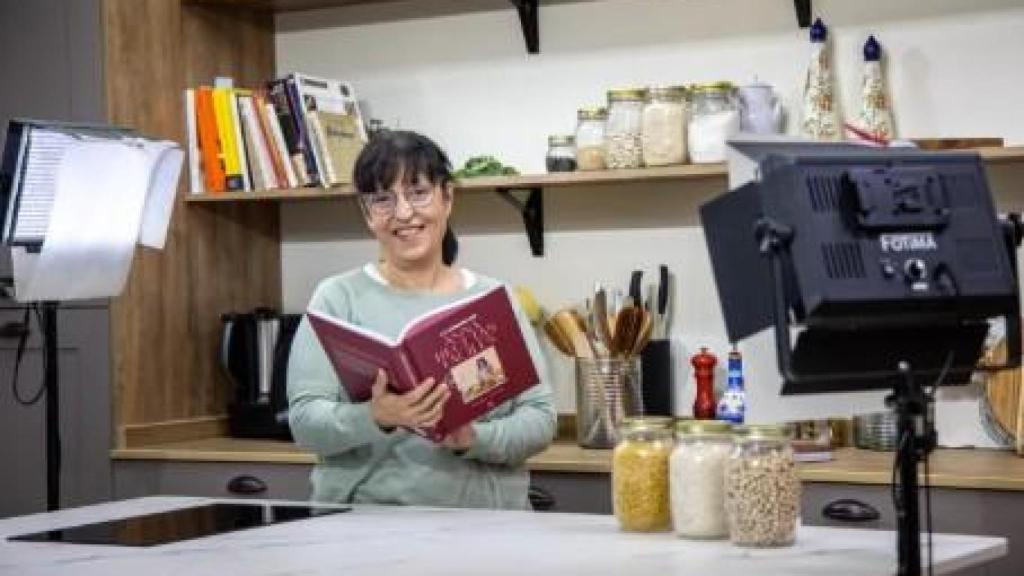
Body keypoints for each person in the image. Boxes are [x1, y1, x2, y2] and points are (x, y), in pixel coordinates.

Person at [287, 130, 557, 510]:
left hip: (488, 532)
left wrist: (470, 438)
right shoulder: (336, 299)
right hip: (364, 527)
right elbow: (305, 421)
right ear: (367, 215)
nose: (403, 213)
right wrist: (376, 416)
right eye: (382, 199)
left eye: (418, 192)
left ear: (447, 198)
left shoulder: (495, 300)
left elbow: (540, 420)